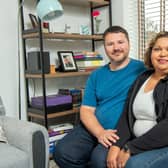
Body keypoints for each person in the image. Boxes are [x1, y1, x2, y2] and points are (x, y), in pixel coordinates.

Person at [54, 26, 146, 168]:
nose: (116, 48)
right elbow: (86, 110)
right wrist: (100, 133)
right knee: (62, 152)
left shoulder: (143, 69)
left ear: (128, 43)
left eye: (120, 42)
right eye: (110, 44)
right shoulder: (96, 75)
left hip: (120, 131)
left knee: (100, 160)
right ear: (104, 47)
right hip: (93, 128)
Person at [107, 31, 168, 168]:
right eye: (157, 49)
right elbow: (127, 115)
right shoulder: (143, 77)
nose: (162, 54)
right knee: (101, 158)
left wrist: (130, 148)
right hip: (137, 140)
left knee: (133, 164)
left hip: (162, 144)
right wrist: (116, 145)